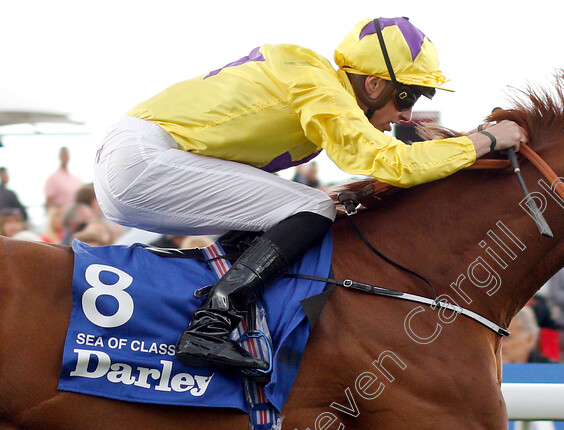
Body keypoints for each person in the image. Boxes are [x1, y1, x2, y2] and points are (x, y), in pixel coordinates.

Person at [92, 17, 527, 372]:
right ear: (373, 85)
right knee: (312, 203)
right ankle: (210, 326)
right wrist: (483, 140)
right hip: (142, 162)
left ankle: (225, 317)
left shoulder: (318, 83)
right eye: (405, 96)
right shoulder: (319, 85)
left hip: (142, 162)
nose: (406, 114)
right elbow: (393, 161)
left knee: (312, 207)